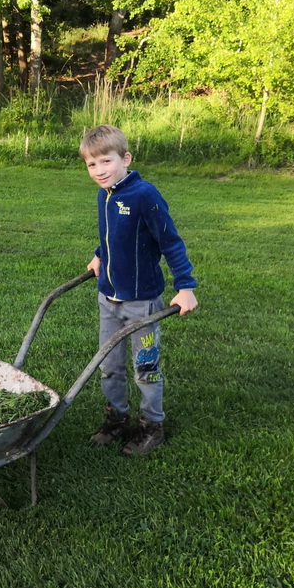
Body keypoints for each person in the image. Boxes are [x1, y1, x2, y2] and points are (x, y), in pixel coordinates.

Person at [80, 124, 198, 456]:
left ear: (126, 158)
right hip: (108, 299)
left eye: (106, 161)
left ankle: (151, 426)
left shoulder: (145, 195)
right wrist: (100, 255)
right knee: (109, 365)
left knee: (145, 368)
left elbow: (170, 242)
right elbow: (111, 235)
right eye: (92, 164)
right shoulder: (104, 195)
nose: (99, 170)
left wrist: (185, 287)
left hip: (141, 303)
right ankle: (116, 419)